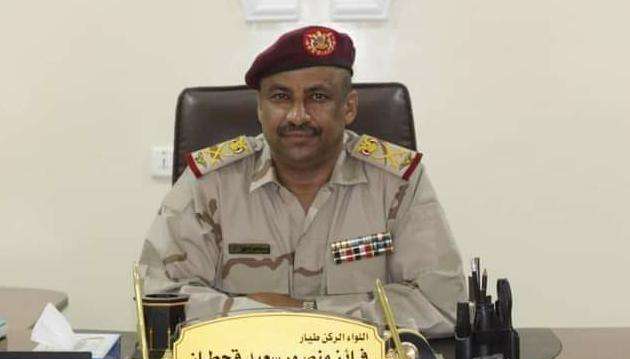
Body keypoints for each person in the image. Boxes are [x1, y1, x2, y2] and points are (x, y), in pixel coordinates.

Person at [139, 26, 466, 337]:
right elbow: (159, 300)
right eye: (281, 97)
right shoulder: (211, 183)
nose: (297, 115)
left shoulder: (396, 184)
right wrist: (282, 318)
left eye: (318, 97)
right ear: (260, 108)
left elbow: (441, 303)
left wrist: (301, 313)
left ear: (349, 107)